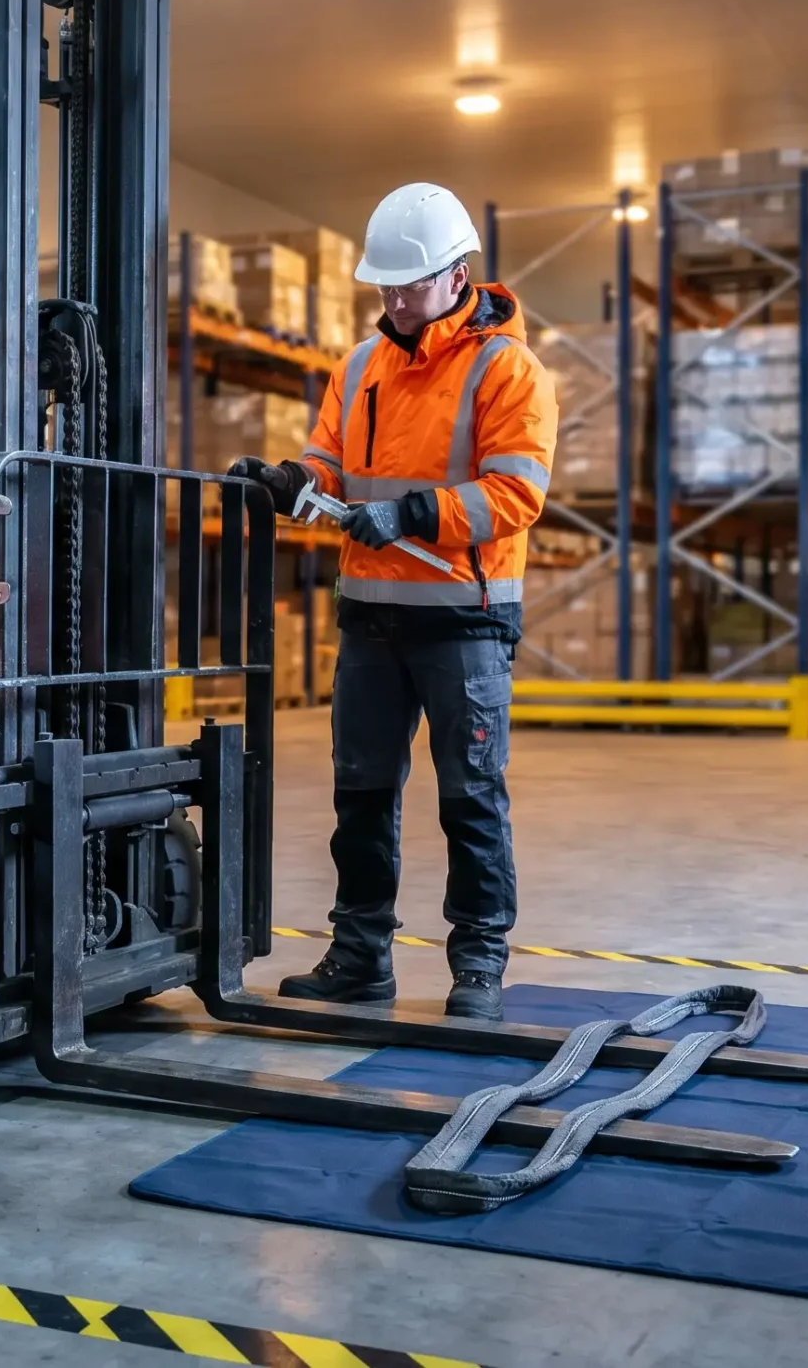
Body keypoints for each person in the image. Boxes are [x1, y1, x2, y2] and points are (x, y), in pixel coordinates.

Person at [230, 182, 557, 1022]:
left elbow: (512, 497)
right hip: (372, 620)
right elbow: (331, 464)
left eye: (408, 284)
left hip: (464, 621)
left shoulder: (508, 371)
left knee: (470, 797)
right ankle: (360, 953)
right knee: (362, 794)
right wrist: (291, 482)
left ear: (457, 275)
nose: (394, 298)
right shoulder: (361, 366)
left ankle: (478, 960)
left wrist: (412, 513)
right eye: (385, 284)